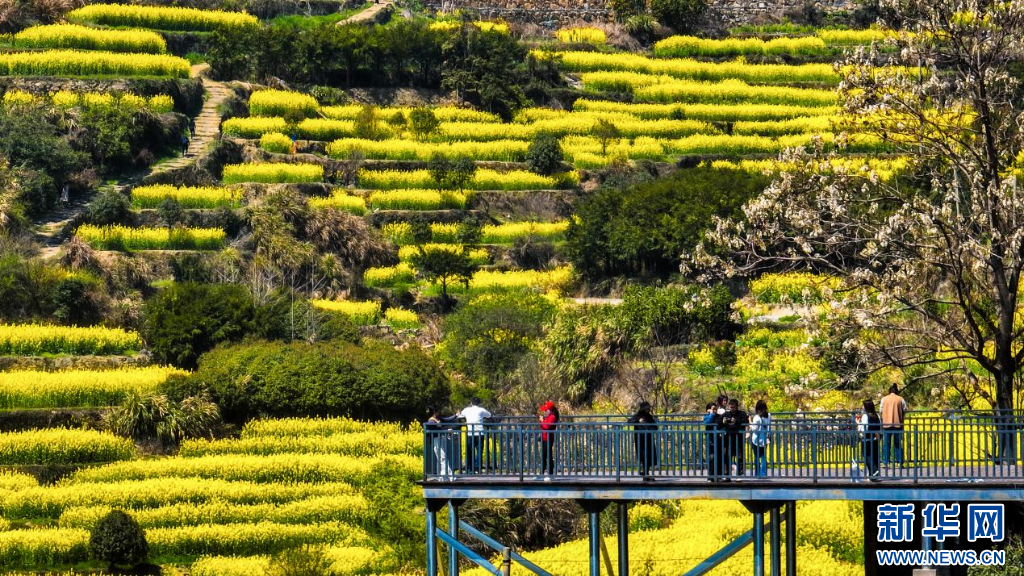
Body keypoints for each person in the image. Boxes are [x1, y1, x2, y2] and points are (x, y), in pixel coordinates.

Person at [457, 397, 491, 474]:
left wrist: (458, 413)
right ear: (479, 403)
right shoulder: (481, 410)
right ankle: (477, 468)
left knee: (469, 451)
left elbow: (460, 416)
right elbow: (489, 415)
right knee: (479, 451)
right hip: (480, 433)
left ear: (471, 403)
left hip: (470, 433)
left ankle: (469, 468)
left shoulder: (466, 410)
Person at [628, 401, 659, 481]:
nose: (648, 410)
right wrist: (637, 421)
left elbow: (655, 427)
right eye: (647, 408)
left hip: (648, 439)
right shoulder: (638, 415)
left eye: (648, 408)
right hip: (640, 440)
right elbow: (630, 421)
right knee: (643, 456)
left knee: (649, 456)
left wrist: (649, 429)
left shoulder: (649, 417)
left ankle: (646, 474)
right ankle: (646, 474)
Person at [426, 406, 457, 480]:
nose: (438, 413)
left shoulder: (437, 418)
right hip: (436, 439)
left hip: (441, 438)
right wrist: (446, 430)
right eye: (437, 411)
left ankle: (441, 476)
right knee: (442, 457)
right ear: (434, 412)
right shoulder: (431, 420)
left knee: (440, 458)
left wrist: (456, 415)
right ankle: (450, 476)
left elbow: (447, 419)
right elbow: (434, 428)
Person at [722, 398, 750, 479]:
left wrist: (736, 421)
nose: (732, 409)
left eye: (734, 407)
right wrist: (723, 422)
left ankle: (739, 474)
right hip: (728, 439)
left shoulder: (742, 414)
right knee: (727, 456)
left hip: (739, 439)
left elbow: (746, 422)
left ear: (737, 407)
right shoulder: (726, 414)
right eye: (731, 407)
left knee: (740, 457)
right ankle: (727, 475)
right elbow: (718, 421)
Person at [880, 384, 907, 467]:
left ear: (889, 391)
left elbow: (880, 410)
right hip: (898, 424)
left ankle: (886, 462)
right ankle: (899, 462)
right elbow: (905, 409)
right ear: (896, 391)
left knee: (886, 444)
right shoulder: (900, 399)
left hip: (886, 425)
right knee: (898, 444)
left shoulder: (884, 399)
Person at [858, 399, 882, 480]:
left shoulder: (865, 416)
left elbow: (864, 428)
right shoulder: (877, 415)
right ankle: (874, 474)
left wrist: (858, 424)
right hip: (876, 438)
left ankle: (874, 471)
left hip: (867, 438)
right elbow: (880, 426)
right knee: (875, 456)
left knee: (867, 455)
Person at [749, 400, 771, 478]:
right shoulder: (768, 415)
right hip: (765, 439)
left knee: (756, 456)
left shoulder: (756, 417)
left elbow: (754, 429)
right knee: (763, 456)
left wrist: (750, 421)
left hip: (756, 440)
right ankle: (763, 473)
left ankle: (757, 473)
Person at [704, 401, 724, 481]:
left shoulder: (719, 416)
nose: (715, 411)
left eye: (715, 409)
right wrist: (711, 414)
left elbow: (722, 425)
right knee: (712, 457)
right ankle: (711, 476)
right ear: (708, 410)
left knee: (719, 457)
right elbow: (707, 423)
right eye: (713, 409)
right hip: (711, 440)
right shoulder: (707, 417)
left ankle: (719, 476)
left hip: (719, 439)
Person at [539, 401, 559, 480]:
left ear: (550, 410)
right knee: (544, 456)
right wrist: (542, 420)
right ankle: (542, 474)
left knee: (548, 456)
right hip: (544, 438)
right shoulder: (548, 417)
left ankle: (550, 474)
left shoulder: (552, 417)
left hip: (548, 439)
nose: (544, 411)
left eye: (546, 410)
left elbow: (546, 426)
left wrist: (541, 421)